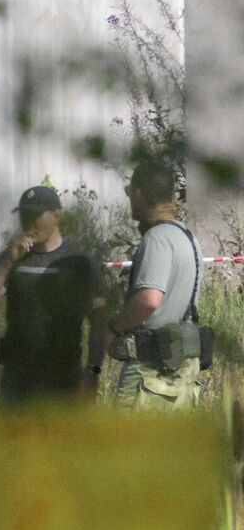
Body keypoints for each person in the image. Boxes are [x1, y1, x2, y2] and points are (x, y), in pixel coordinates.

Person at [0, 184, 109, 404]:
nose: (29, 222)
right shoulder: (14, 257)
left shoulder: (80, 263)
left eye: (35, 214)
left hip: (63, 380)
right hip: (17, 381)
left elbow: (100, 323)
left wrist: (93, 372)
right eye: (24, 215)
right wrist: (7, 261)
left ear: (57, 215)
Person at [106, 159, 204, 409]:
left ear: (138, 194)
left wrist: (115, 327)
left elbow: (148, 300)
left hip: (150, 374)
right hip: (181, 375)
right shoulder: (187, 237)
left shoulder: (157, 239)